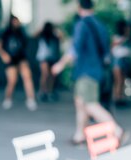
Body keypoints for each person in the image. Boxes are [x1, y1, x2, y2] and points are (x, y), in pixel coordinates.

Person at [51, 0, 124, 145]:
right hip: (98, 71)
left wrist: (60, 64)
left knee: (90, 104)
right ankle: (80, 135)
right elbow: (107, 50)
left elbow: (74, 49)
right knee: (80, 102)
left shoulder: (82, 24)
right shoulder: (100, 25)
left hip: (86, 72)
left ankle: (116, 130)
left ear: (79, 7)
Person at [0, 15, 37, 111]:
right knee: (12, 80)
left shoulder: (21, 32)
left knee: (27, 77)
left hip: (21, 58)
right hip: (11, 59)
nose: (16, 23)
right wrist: (4, 55)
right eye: (14, 21)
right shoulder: (6, 33)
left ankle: (31, 99)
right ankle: (8, 99)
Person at [111, 19, 131, 107]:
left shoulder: (129, 38)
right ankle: (117, 98)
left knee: (122, 80)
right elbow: (114, 45)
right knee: (118, 79)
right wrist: (125, 36)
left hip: (125, 59)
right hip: (118, 59)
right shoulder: (117, 36)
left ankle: (120, 97)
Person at [36, 21, 61, 102]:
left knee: (51, 75)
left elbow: (62, 37)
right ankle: (42, 91)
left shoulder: (54, 36)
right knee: (45, 74)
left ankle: (49, 91)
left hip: (52, 57)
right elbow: (34, 35)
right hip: (43, 58)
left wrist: (56, 30)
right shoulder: (42, 35)